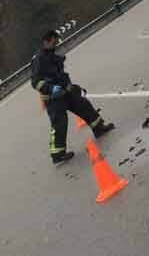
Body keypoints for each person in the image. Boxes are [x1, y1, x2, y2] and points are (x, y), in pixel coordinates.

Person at [31, 30, 115, 165]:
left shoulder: (51, 54)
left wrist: (69, 86)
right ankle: (57, 154)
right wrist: (50, 88)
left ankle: (98, 128)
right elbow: (35, 82)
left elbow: (59, 74)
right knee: (59, 124)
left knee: (84, 105)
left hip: (65, 91)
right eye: (54, 42)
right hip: (53, 98)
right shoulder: (39, 59)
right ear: (46, 42)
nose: (56, 44)